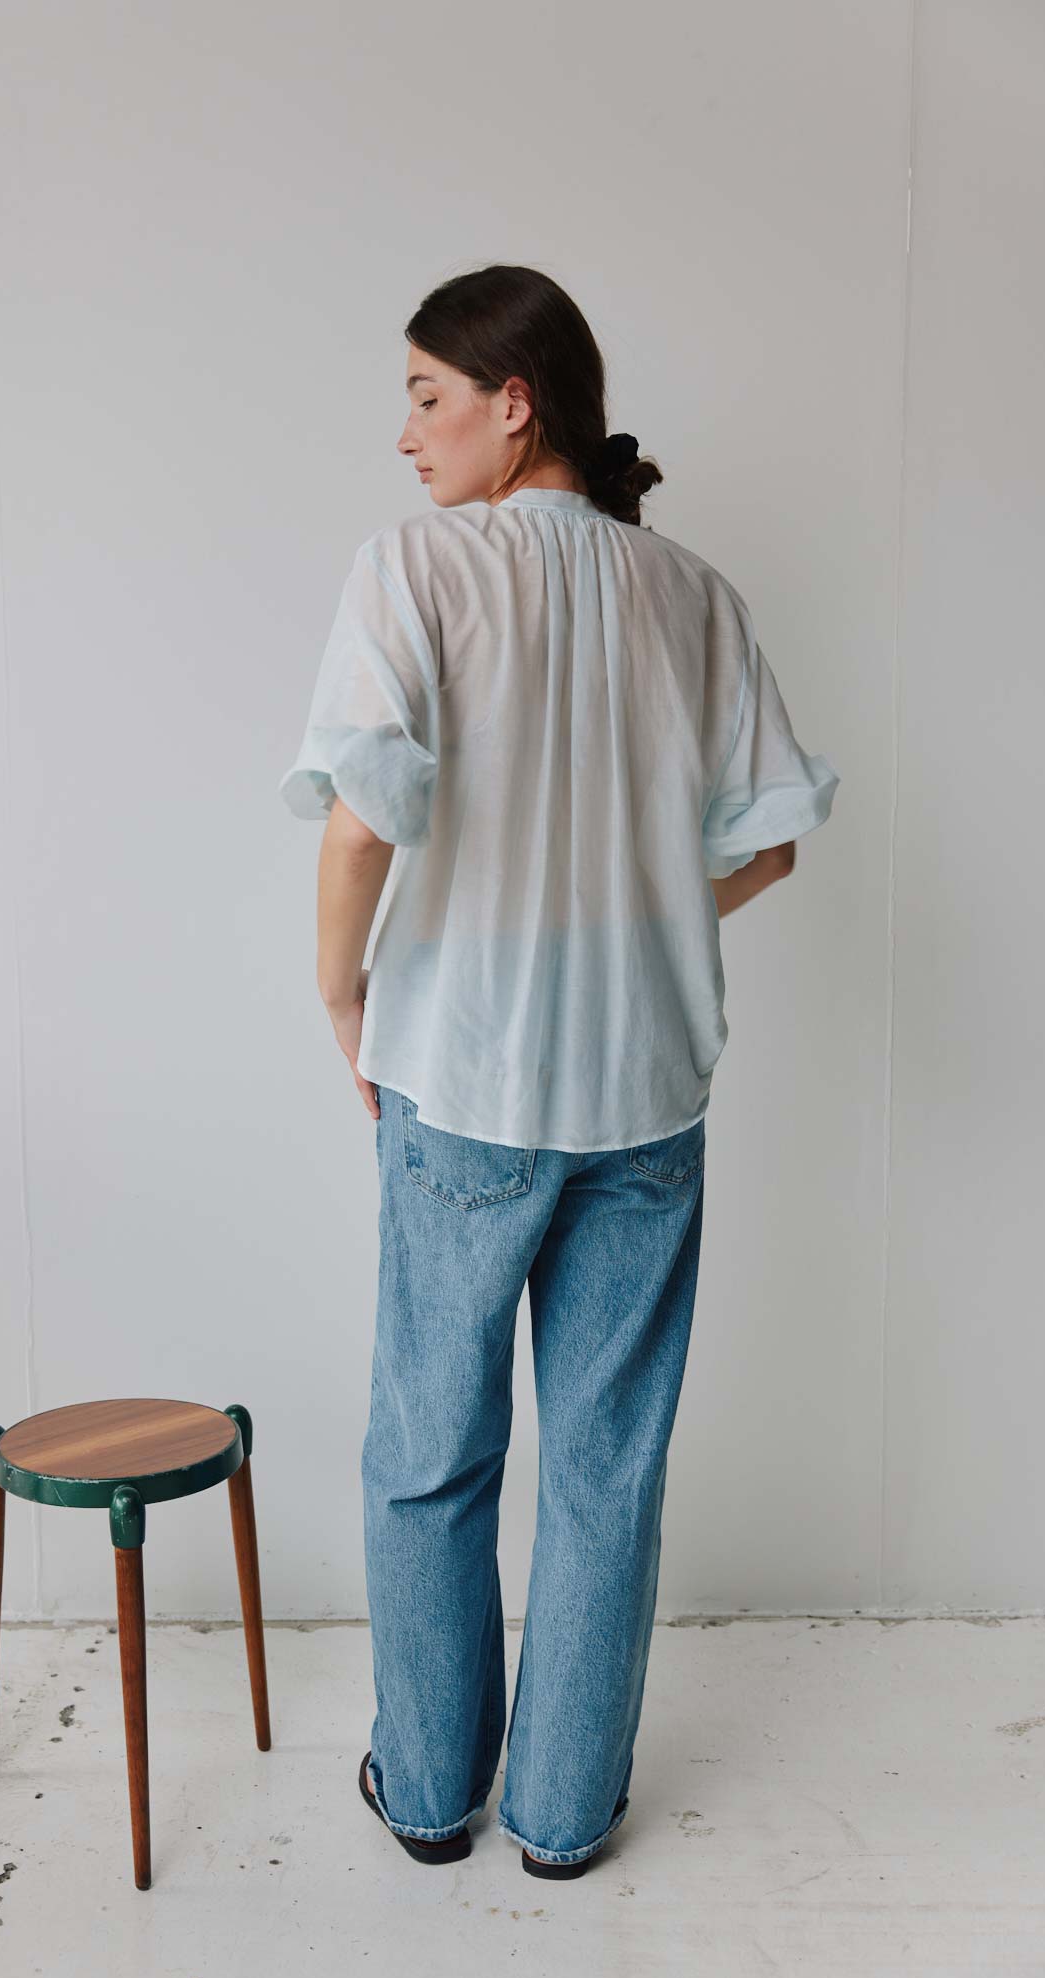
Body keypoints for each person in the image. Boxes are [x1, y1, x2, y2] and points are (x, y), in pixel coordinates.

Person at [277, 263, 840, 1880]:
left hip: (462, 1077)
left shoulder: (415, 568)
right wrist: (639, 915)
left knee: (428, 1456)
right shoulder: (695, 594)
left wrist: (338, 992)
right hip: (646, 1090)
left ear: (513, 402)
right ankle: (563, 1815)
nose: (405, 435)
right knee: (606, 1469)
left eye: (425, 396)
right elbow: (766, 851)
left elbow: (360, 822)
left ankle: (428, 1793)